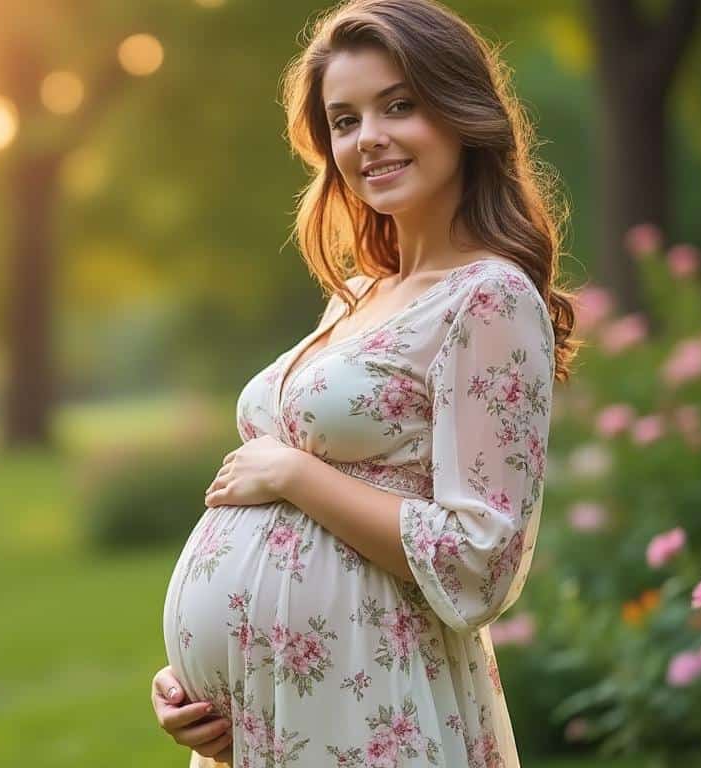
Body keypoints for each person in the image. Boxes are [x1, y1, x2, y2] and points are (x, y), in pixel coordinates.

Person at [152, 1, 580, 766]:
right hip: (270, 714)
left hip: (373, 704)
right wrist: (196, 683)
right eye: (344, 121)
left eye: (399, 106)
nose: (369, 137)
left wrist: (293, 473)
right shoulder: (358, 295)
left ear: (461, 112)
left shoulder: (489, 298)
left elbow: (481, 556)